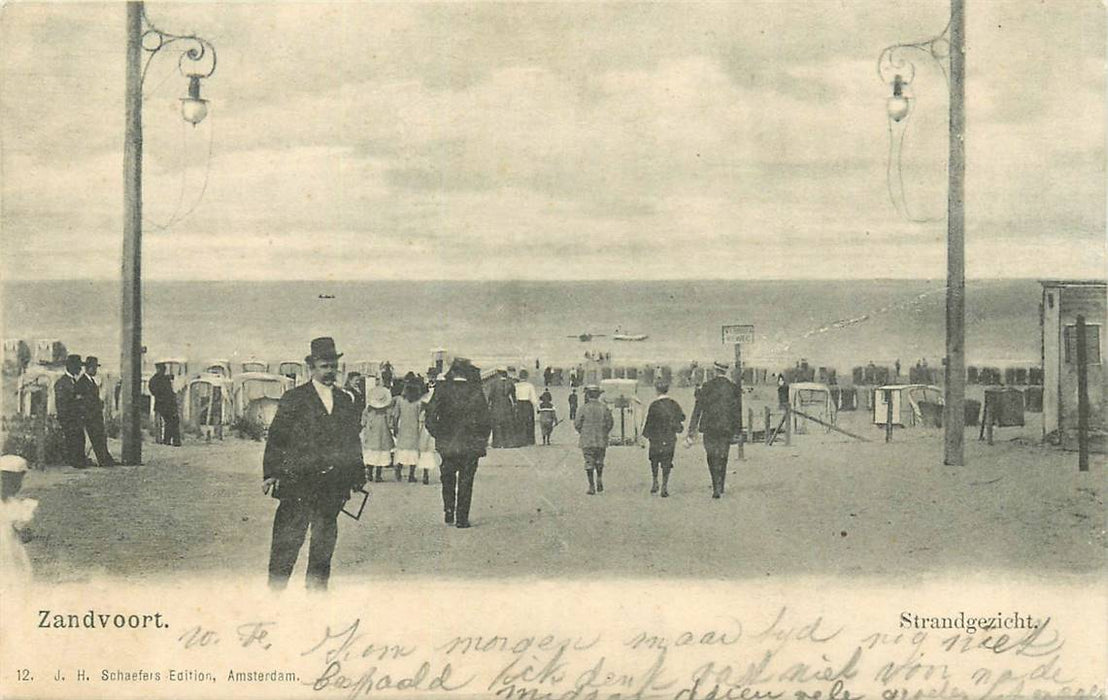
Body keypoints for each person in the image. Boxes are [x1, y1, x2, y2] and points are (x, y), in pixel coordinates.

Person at [263, 337, 365, 591]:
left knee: (323, 544)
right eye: (324, 366)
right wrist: (271, 473)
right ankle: (274, 595)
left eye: (333, 366)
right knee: (287, 542)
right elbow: (277, 437)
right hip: (297, 483)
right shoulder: (294, 398)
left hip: (332, 486)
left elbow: (352, 439)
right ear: (312, 367)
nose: (329, 371)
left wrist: (356, 474)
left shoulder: (345, 400)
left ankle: (316, 598)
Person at [425, 358, 491, 529]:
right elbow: (486, 419)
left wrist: (439, 435)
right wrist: (481, 440)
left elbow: (430, 416)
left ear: (453, 372)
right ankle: (462, 518)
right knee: (466, 481)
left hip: (447, 444)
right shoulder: (476, 390)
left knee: (447, 478)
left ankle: (448, 510)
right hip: (471, 445)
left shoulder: (442, 389)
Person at [685, 361, 742, 499]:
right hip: (726, 427)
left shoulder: (706, 387)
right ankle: (721, 484)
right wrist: (738, 431)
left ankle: (715, 486)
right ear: (725, 371)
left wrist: (692, 430)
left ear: (715, 371)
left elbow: (698, 409)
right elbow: (737, 412)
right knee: (723, 455)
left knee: (711, 455)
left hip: (709, 427)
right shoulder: (733, 388)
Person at [641, 380, 685, 498]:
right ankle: (664, 485)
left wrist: (645, 436)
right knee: (667, 461)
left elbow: (649, 422)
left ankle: (655, 481)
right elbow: (682, 417)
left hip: (655, 438)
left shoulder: (654, 405)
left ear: (657, 390)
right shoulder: (673, 404)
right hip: (669, 437)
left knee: (654, 460)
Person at [1, 455, 37, 585]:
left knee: (16, 576)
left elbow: (25, 535)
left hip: (11, 549)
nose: (14, 486)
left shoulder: (15, 505)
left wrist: (24, 530)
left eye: (16, 482)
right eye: (5, 480)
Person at [574, 385, 613, 495]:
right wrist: (604, 432)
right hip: (601, 438)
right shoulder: (604, 408)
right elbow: (610, 423)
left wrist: (583, 432)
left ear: (587, 395)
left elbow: (577, 423)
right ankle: (599, 478)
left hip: (587, 439)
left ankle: (591, 485)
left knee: (589, 461)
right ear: (598, 395)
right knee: (600, 460)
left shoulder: (583, 408)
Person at [77, 356, 115, 467]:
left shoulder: (91, 381)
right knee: (96, 437)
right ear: (87, 368)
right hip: (90, 416)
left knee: (100, 437)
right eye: (93, 368)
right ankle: (103, 460)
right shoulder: (82, 382)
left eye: (95, 368)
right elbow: (83, 401)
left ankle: (105, 459)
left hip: (96, 415)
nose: (95, 370)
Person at [54, 354, 88, 468]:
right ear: (72, 367)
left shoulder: (73, 381)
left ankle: (79, 461)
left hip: (76, 417)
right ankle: (74, 461)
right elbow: (62, 402)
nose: (80, 369)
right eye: (78, 367)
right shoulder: (62, 382)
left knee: (79, 438)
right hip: (68, 418)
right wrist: (76, 399)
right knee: (73, 439)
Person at [362, 385, 396, 483]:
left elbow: (363, 422)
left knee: (371, 455)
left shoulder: (368, 410)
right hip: (383, 437)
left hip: (371, 436)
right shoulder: (387, 411)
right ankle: (378, 475)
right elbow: (390, 424)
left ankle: (369, 473)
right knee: (381, 456)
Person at [394, 373, 423, 483]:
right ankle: (411, 475)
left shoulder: (400, 400)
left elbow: (396, 415)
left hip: (403, 428)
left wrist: (395, 427)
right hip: (414, 430)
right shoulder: (418, 402)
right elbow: (420, 417)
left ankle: (398, 470)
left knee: (401, 450)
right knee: (413, 453)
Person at [416, 370, 440, 485]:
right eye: (430, 376)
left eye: (433, 376)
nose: (432, 378)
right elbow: (419, 403)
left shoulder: (441, 388)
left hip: (437, 419)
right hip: (426, 419)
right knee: (425, 447)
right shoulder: (423, 388)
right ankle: (426, 473)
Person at [149, 363, 181, 446]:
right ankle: (168, 440)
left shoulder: (165, 379)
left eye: (164, 369)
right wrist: (160, 396)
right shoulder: (155, 380)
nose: (163, 371)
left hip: (168, 404)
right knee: (169, 421)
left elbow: (170, 391)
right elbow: (153, 391)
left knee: (172, 421)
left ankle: (171, 440)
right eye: (161, 369)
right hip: (162, 404)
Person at [487, 368, 515, 448]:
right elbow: (513, 396)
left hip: (496, 405)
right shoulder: (510, 383)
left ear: (499, 374)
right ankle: (508, 443)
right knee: (507, 424)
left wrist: (489, 404)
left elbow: (490, 395)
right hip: (507, 405)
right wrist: (514, 405)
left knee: (496, 424)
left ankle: (497, 443)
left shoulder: (494, 383)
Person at [513, 375, 539, 446]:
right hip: (527, 404)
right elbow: (533, 397)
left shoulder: (515, 385)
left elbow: (513, 396)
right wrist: (537, 406)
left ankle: (520, 440)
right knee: (529, 422)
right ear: (527, 377)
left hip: (519, 404)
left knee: (519, 422)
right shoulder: (530, 385)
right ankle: (529, 440)